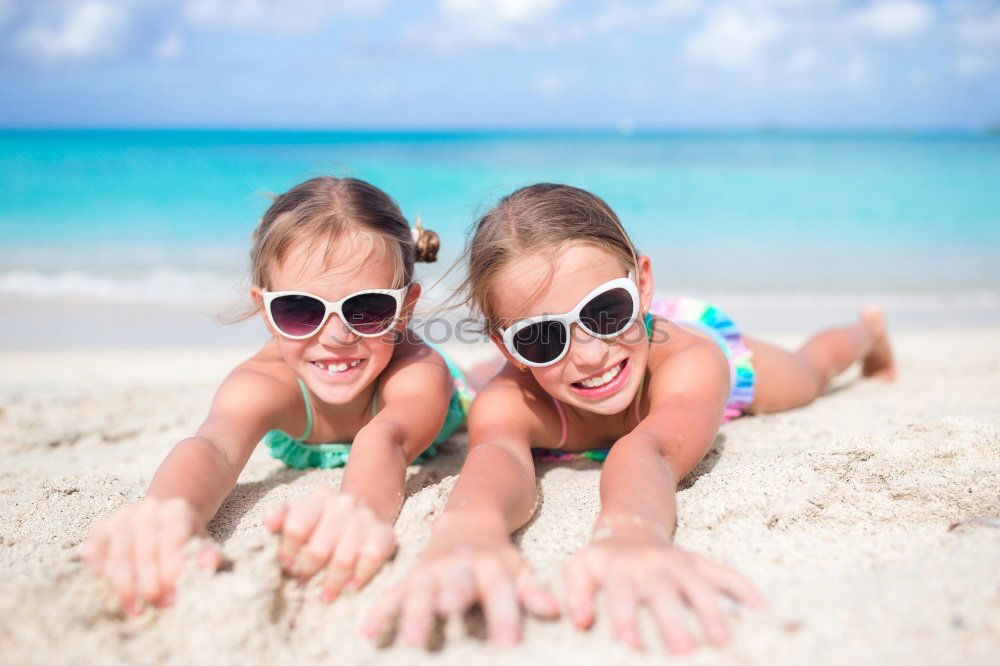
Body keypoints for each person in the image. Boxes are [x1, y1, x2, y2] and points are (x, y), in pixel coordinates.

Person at [364, 183, 895, 651]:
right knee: (487, 389)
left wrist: (633, 533)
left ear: (641, 282)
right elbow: (496, 454)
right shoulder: (515, 397)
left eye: (604, 310)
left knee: (809, 371)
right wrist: (469, 531)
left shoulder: (693, 362)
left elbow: (649, 450)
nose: (591, 353)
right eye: (540, 336)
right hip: (617, 343)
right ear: (509, 346)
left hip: (669, 348)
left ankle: (867, 332)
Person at [82, 177, 473, 615]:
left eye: (367, 308)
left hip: (451, 393)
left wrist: (356, 508)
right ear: (266, 311)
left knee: (484, 384)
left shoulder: (416, 370)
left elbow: (386, 439)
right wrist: (170, 509)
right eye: (300, 310)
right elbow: (215, 447)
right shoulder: (263, 382)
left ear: (405, 307)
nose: (337, 337)